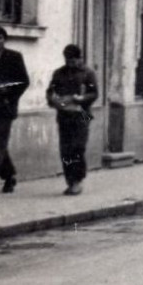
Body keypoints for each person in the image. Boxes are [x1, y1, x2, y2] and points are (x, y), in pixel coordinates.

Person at [0, 25, 30, 196]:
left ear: (4, 40)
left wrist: (6, 98)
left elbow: (23, 82)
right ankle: (9, 176)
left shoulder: (14, 57)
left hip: (5, 108)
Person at [45, 45, 99, 196]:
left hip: (83, 113)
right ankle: (70, 180)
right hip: (64, 114)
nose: (71, 62)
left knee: (78, 147)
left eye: (74, 59)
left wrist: (81, 98)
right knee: (65, 149)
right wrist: (53, 101)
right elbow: (50, 92)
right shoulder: (59, 73)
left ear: (80, 58)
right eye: (68, 59)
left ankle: (77, 181)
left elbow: (94, 94)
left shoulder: (88, 73)